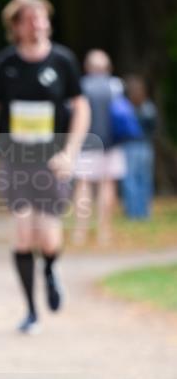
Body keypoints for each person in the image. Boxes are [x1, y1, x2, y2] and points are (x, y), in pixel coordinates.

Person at [0, 0, 90, 334]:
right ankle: (30, 310)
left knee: (48, 237)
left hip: (52, 159)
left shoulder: (62, 61)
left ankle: (51, 269)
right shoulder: (5, 62)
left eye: (43, 17)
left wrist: (70, 152)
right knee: (24, 233)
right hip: (16, 158)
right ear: (17, 26)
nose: (40, 23)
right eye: (31, 18)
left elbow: (80, 107)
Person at [72, 50, 127, 246]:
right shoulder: (115, 86)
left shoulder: (80, 87)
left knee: (83, 185)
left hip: (85, 144)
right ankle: (104, 231)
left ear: (87, 67)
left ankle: (80, 231)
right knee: (107, 185)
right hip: (111, 144)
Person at [121, 74, 157, 219]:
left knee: (130, 180)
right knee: (145, 179)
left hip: (129, 146)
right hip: (146, 146)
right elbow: (154, 128)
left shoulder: (124, 108)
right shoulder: (149, 107)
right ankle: (144, 213)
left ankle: (133, 213)